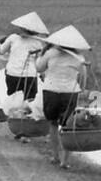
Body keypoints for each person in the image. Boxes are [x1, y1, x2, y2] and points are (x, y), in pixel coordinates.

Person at [36, 25, 91, 169]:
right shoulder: (79, 58)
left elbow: (39, 68)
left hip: (51, 91)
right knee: (68, 125)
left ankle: (55, 156)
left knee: (53, 124)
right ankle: (65, 161)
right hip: (70, 93)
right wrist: (81, 91)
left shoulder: (51, 53)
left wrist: (40, 55)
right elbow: (83, 80)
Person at [0, 11, 48, 100]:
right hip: (30, 76)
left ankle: (13, 113)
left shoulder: (13, 38)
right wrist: (43, 75)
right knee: (30, 100)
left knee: (13, 100)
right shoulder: (38, 43)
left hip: (12, 74)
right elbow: (39, 63)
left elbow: (1, 51)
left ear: (22, 28)